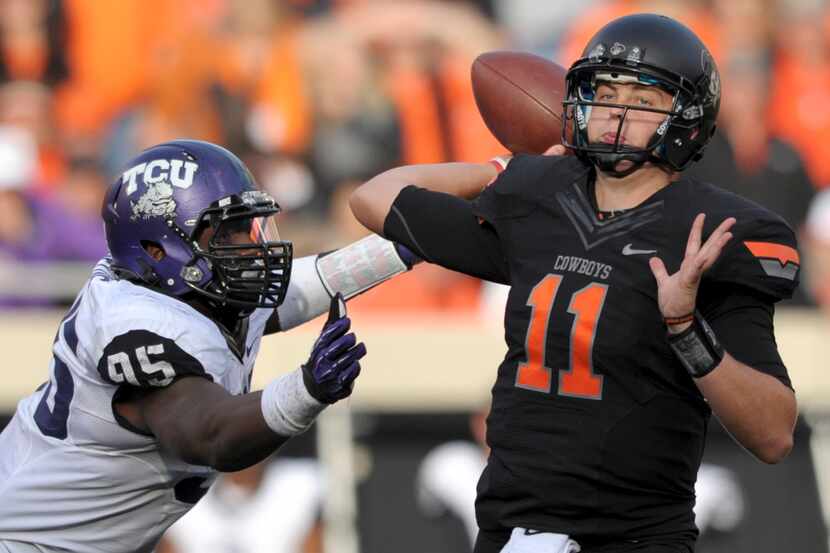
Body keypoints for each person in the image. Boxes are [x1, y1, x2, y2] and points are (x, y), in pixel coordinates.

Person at [351, 13, 798, 553]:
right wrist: (500, 169)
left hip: (631, 538)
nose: (615, 113)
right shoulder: (537, 198)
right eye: (605, 92)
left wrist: (685, 328)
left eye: (641, 98)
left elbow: (773, 433)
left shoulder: (715, 232)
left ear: (687, 118)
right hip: (508, 531)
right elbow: (375, 197)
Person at [0, 139, 419, 553]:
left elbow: (319, 278)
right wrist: (306, 390)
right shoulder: (134, 324)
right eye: (232, 233)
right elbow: (209, 434)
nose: (254, 248)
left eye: (251, 228)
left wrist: (420, 240)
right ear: (157, 248)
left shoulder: (187, 293)